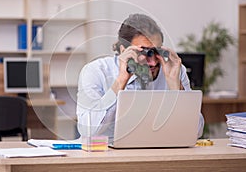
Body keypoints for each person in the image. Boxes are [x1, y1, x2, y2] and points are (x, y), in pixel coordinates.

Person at [76, 13, 204, 141]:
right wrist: (121, 81)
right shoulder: (96, 71)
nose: (153, 62)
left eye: (157, 52)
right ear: (124, 51)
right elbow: (89, 130)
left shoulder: (173, 71)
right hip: (104, 153)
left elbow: (195, 132)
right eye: (145, 52)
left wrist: (176, 88)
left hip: (156, 152)